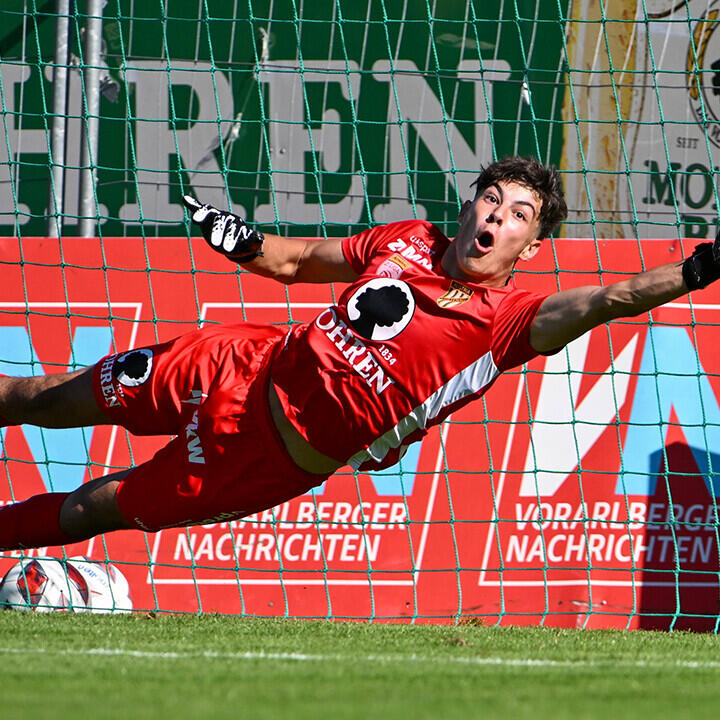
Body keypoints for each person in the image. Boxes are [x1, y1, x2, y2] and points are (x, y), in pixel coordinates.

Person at [0, 155, 717, 550]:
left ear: (530, 248)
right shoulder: (402, 239)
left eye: (517, 215)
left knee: (93, 510)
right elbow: (296, 259)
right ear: (467, 206)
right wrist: (243, 241)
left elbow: (613, 299)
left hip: (267, 458)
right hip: (242, 364)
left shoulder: (511, 323)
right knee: (51, 399)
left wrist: (701, 266)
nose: (496, 216)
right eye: (490, 200)